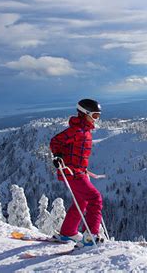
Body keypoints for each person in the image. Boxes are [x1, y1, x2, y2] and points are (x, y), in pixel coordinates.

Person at [49, 98, 104, 246]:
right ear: (84, 113)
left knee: (82, 201)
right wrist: (58, 156)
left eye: (98, 116)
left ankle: (68, 232)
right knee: (95, 198)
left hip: (79, 172)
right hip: (73, 173)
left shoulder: (84, 131)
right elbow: (55, 141)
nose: (96, 119)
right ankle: (89, 237)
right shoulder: (77, 131)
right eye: (94, 115)